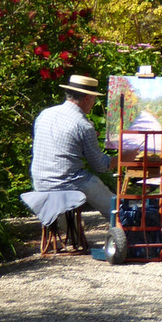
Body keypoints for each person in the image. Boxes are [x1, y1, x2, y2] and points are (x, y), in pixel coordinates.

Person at [31, 74, 116, 219]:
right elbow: (101, 166)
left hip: (40, 182)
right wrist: (123, 157)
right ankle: (125, 225)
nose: (94, 103)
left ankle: (74, 235)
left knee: (81, 178)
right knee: (111, 203)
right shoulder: (83, 125)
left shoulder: (45, 114)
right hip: (67, 184)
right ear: (87, 98)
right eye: (94, 99)